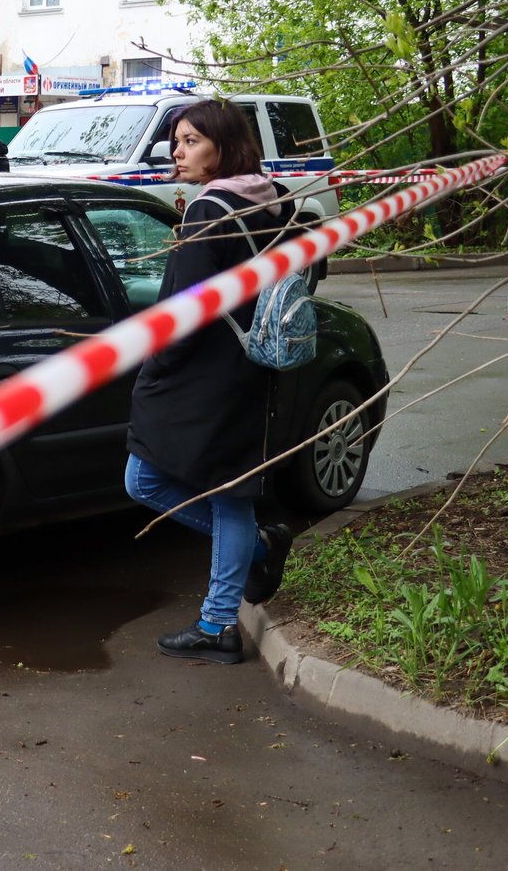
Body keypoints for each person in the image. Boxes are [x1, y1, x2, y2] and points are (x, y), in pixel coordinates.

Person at [124, 98, 295, 665]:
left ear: (224, 145)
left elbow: (185, 310)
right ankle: (237, 588)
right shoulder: (272, 199)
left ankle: (224, 612)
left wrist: (155, 367)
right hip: (249, 365)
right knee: (228, 491)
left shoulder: (210, 211)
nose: (178, 150)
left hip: (199, 375)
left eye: (192, 139)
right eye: (177, 140)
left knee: (145, 478)